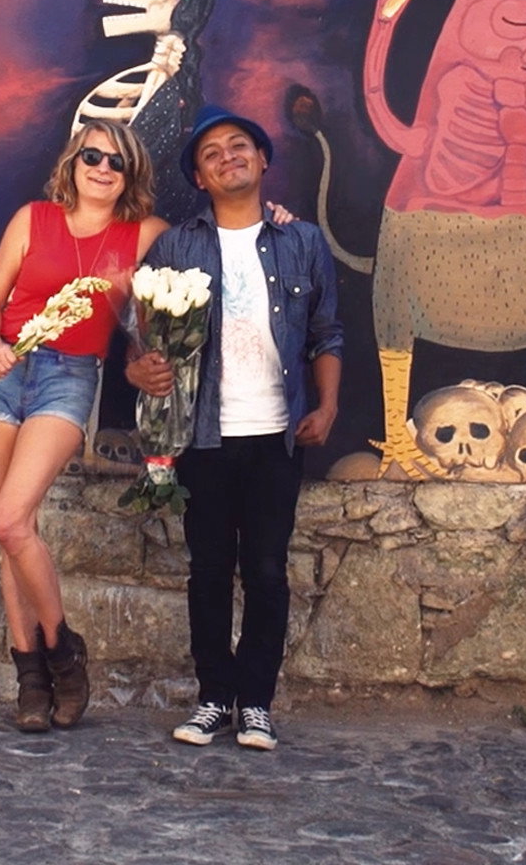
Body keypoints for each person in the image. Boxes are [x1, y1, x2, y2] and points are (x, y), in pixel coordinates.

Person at [126, 104, 342, 751]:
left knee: (268, 571)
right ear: (199, 177)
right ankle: (214, 698)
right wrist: (140, 368)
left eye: (239, 145)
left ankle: (256, 704)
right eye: (211, 153)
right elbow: (140, 333)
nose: (228, 157)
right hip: (204, 437)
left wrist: (328, 406)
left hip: (276, 434)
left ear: (263, 159)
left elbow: (326, 333)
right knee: (210, 571)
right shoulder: (177, 246)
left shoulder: (302, 242)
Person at [0, 120, 166, 732]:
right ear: (73, 163)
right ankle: (30, 680)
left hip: (70, 374)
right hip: (3, 370)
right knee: (10, 531)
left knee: (11, 519)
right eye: (93, 156)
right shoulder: (33, 219)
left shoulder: (143, 235)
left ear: (130, 175)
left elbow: (207, 249)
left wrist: (277, 215)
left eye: (117, 161)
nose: (103, 168)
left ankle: (62, 652)